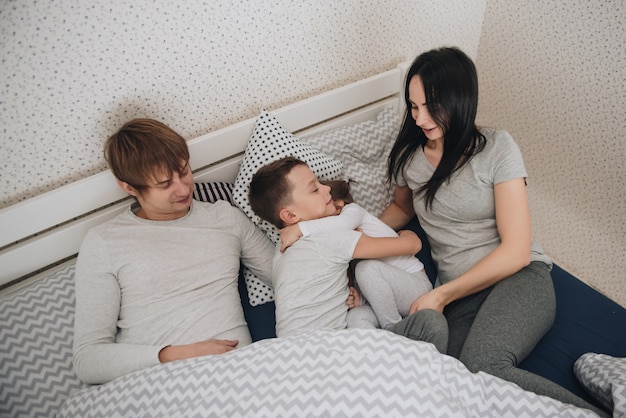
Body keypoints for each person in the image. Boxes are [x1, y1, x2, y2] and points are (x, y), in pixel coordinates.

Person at [380, 46, 606, 415]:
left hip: (518, 277)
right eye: (413, 106)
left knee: (486, 365)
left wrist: (441, 296)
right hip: (463, 296)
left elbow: (516, 250)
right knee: (452, 378)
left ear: (461, 99)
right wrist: (348, 240)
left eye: (431, 106)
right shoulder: (410, 158)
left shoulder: (498, 148)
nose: (420, 118)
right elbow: (401, 209)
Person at [72, 119, 275, 385]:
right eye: (165, 183)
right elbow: (88, 360)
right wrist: (177, 355)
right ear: (130, 188)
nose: (183, 188)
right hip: (152, 382)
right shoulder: (104, 242)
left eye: (184, 171)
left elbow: (285, 275)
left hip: (236, 376)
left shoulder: (225, 218)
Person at [248, 156, 424, 337]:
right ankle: (395, 341)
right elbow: (411, 245)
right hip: (323, 344)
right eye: (315, 189)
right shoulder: (331, 237)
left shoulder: (280, 253)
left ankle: (394, 336)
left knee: (365, 276)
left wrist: (302, 228)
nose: (327, 188)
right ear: (290, 216)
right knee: (357, 311)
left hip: (287, 346)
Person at [279, 179, 432, 330]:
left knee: (366, 268)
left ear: (338, 205)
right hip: (389, 301)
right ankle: (380, 353)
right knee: (356, 318)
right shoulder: (332, 244)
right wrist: (361, 299)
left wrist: (301, 228)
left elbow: (343, 224)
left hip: (415, 284)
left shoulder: (353, 211)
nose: (323, 229)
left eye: (323, 224)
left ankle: (394, 330)